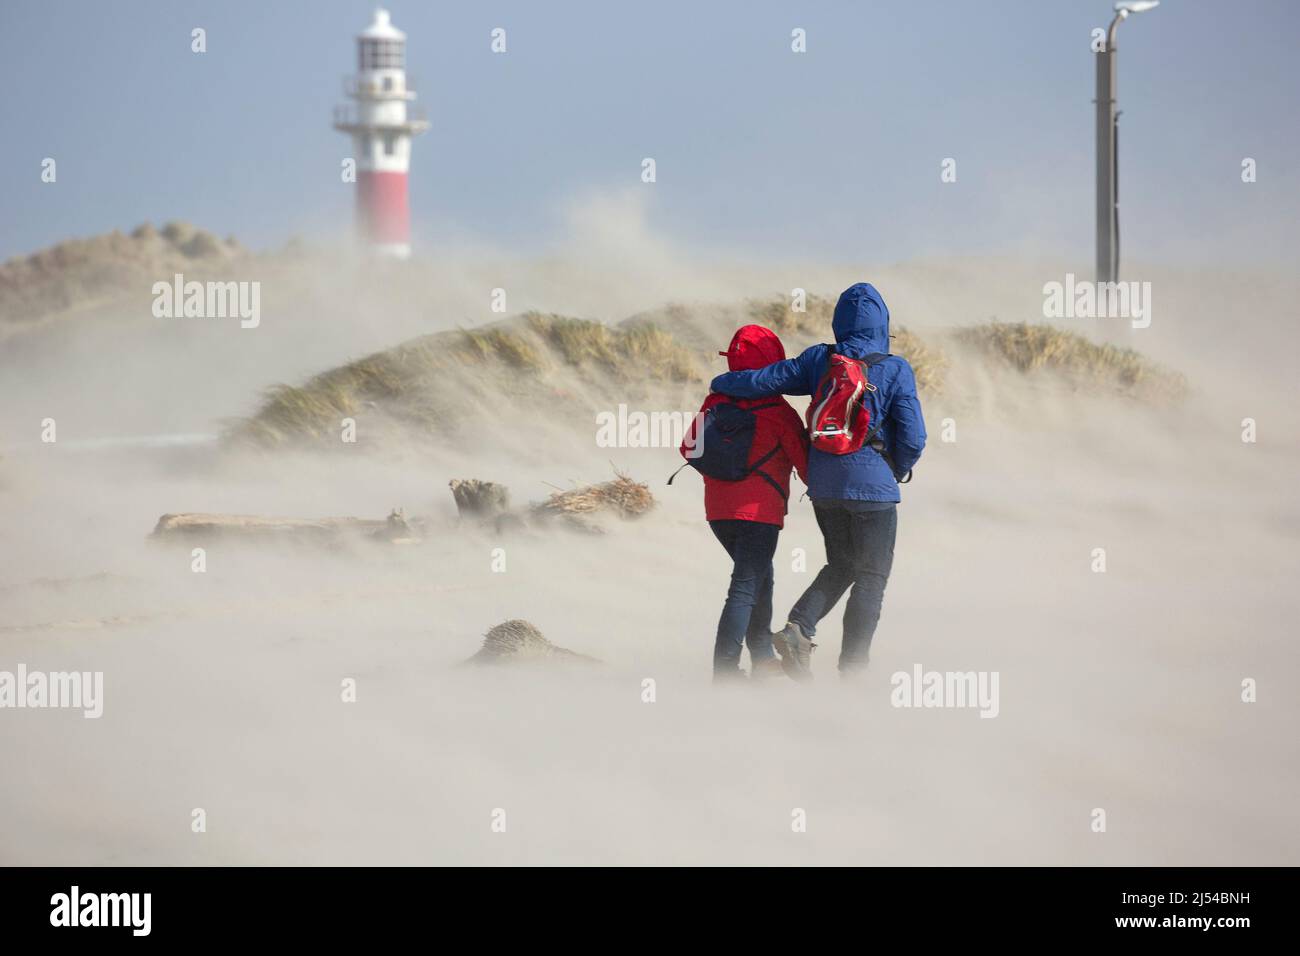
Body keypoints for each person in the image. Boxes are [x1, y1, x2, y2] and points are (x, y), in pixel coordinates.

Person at [708, 283, 926, 678]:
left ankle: (798, 627)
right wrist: (895, 469)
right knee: (872, 577)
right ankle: (854, 670)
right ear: (883, 324)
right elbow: (913, 436)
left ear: (839, 322)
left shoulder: (819, 359)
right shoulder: (895, 368)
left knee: (841, 562)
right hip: (873, 487)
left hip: (824, 485)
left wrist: (723, 383)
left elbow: (765, 381)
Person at [680, 324, 808, 682]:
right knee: (747, 584)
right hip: (759, 513)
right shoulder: (778, 410)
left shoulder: (714, 402)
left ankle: (764, 658)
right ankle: (724, 671)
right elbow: (807, 467)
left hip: (718, 512)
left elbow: (688, 448)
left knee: (759, 577)